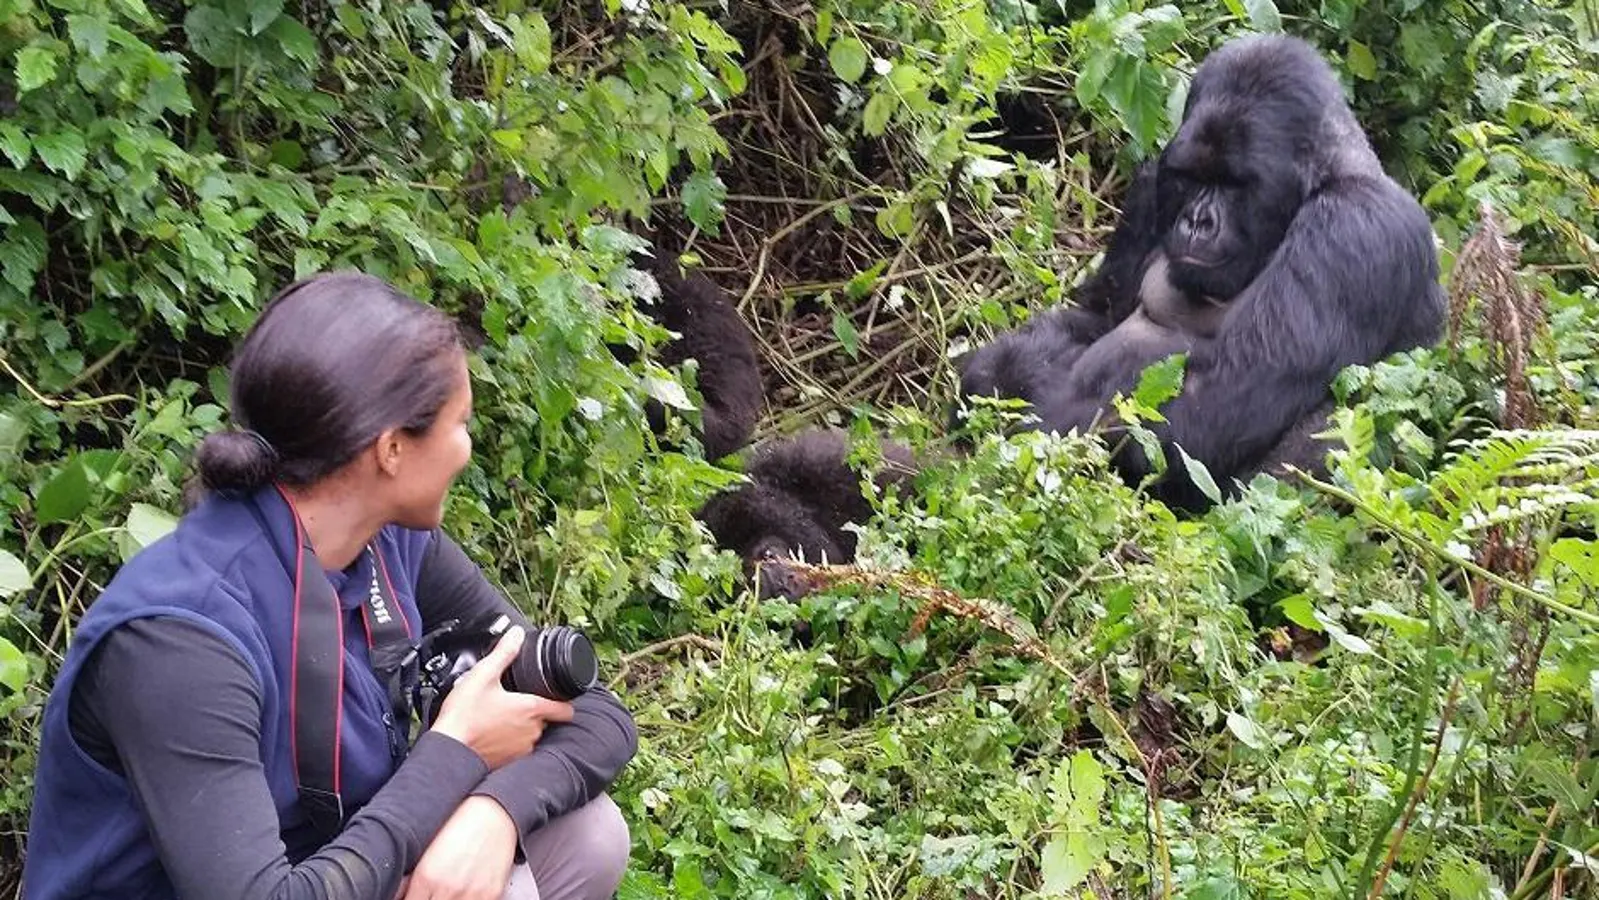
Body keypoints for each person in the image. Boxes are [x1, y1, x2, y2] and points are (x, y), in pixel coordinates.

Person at [21, 272, 638, 900]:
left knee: (584, 837)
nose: (466, 449)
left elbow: (595, 713)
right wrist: (456, 751)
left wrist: (495, 809)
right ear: (391, 449)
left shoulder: (391, 544)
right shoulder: (180, 640)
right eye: (460, 424)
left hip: (332, 868)